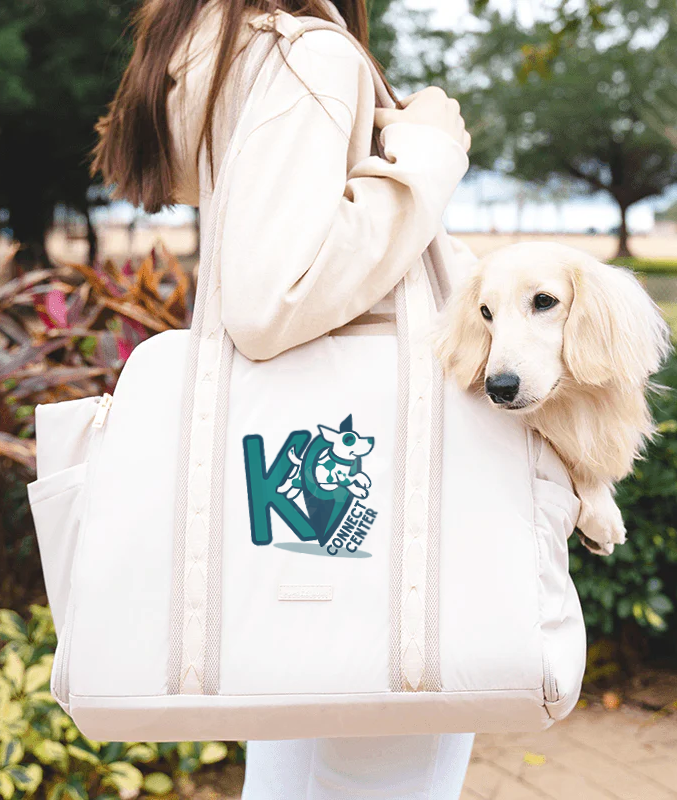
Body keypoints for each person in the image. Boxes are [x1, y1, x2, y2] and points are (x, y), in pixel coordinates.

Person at [93, 0, 476, 797]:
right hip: (382, 487)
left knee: (300, 753)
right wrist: (426, 157)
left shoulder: (217, 46)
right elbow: (270, 297)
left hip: (298, 507)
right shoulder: (309, 56)